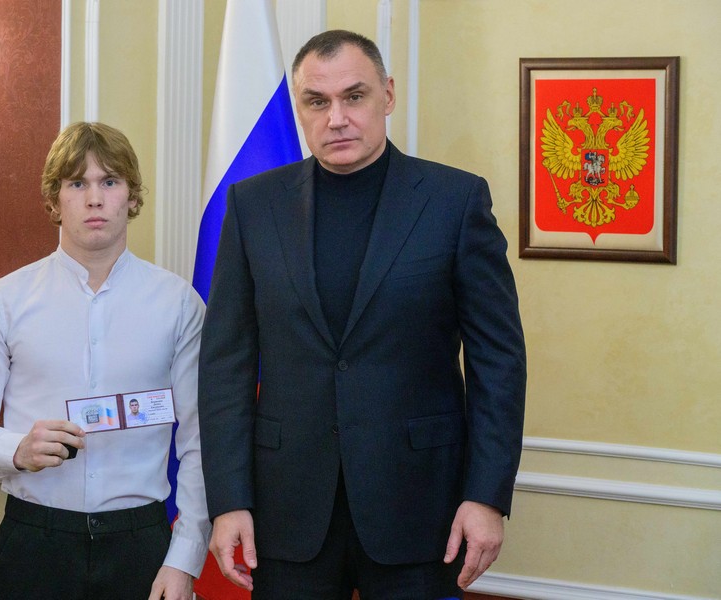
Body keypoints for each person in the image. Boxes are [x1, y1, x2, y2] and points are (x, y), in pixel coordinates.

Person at [198, 30, 526, 600]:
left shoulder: (454, 201)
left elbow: (498, 362)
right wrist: (229, 501)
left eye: (354, 96)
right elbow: (226, 364)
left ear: (387, 95)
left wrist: (486, 495)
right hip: (285, 511)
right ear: (298, 107)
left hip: (420, 507)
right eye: (317, 101)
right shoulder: (253, 205)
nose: (337, 118)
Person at [0, 122, 210, 600]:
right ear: (54, 199)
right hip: (34, 543)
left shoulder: (179, 304)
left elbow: (200, 441)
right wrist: (16, 449)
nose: (95, 199)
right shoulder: (2, 301)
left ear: (131, 195)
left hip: (143, 546)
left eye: (110, 181)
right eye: (77, 183)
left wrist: (184, 558)